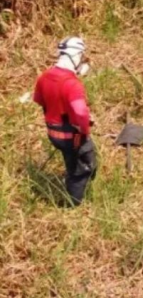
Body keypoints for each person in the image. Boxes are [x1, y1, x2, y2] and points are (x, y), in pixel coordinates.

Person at [33, 37, 97, 206]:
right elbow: (81, 113)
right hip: (70, 135)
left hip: (52, 132)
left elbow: (39, 100)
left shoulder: (44, 77)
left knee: (86, 155)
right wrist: (85, 129)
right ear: (76, 55)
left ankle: (86, 179)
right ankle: (72, 204)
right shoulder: (72, 84)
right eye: (82, 56)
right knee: (79, 169)